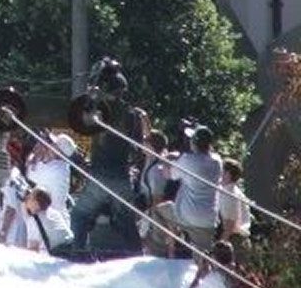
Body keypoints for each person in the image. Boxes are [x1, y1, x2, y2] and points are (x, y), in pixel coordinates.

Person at [70, 57, 146, 252]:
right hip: (121, 175)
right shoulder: (132, 115)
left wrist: (92, 95)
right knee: (127, 221)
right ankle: (137, 255)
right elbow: (138, 149)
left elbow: (82, 116)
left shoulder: (102, 112)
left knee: (80, 215)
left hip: (101, 176)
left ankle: (78, 251)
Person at [155, 124, 222, 257]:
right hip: (209, 218)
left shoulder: (187, 160)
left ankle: (164, 250)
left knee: (159, 211)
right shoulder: (217, 161)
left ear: (194, 143)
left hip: (187, 215)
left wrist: (167, 159)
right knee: (203, 256)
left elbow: (168, 175)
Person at [22, 186, 74, 256]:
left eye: (29, 198)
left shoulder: (34, 221)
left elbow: (33, 250)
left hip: (58, 254)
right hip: (71, 247)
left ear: (36, 203)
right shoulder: (54, 213)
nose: (26, 200)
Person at [217, 158, 252, 252]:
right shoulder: (225, 189)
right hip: (232, 237)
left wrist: (219, 247)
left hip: (234, 240)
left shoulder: (230, 195)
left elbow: (230, 225)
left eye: (221, 170)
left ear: (227, 174)